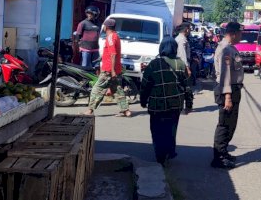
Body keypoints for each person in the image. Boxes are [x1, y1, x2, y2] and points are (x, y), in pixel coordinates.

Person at [140, 37, 187, 165]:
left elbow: (145, 85)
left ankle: (160, 154)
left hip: (157, 105)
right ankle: (169, 151)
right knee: (171, 129)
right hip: (175, 105)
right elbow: (186, 86)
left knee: (157, 130)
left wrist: (143, 100)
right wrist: (189, 104)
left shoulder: (154, 64)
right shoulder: (181, 64)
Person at [211, 22, 245, 169]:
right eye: (240, 33)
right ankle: (218, 158)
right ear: (234, 33)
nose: (241, 36)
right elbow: (225, 75)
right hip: (228, 91)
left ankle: (223, 153)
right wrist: (228, 97)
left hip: (232, 90)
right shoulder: (226, 50)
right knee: (224, 125)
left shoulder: (230, 48)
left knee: (231, 124)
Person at [83, 18, 130, 117]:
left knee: (96, 89)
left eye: (104, 25)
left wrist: (112, 71)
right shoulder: (116, 36)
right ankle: (125, 110)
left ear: (106, 27)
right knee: (118, 90)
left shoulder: (110, 37)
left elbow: (113, 54)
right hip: (116, 69)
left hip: (109, 70)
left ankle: (90, 110)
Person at [175, 22, 194, 114]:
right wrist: (187, 67)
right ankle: (184, 107)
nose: (190, 30)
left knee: (181, 87)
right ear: (186, 29)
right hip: (182, 66)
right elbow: (182, 55)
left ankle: (183, 107)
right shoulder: (182, 40)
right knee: (185, 87)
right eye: (189, 29)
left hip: (178, 66)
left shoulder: (179, 38)